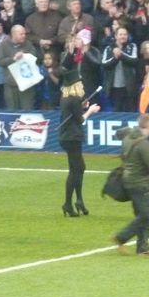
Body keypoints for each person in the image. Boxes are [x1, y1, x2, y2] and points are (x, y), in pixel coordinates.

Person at [112, 114, 149, 256]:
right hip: (141, 183)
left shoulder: (128, 137)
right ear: (148, 126)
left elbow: (119, 134)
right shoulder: (143, 144)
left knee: (141, 214)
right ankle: (122, 237)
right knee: (146, 215)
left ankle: (143, 247)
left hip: (128, 181)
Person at [59, 69, 101, 217]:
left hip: (66, 137)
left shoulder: (66, 98)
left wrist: (82, 108)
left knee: (78, 168)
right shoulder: (74, 99)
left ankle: (78, 201)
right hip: (72, 137)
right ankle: (68, 203)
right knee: (76, 169)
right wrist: (90, 110)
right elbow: (81, 120)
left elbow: (74, 114)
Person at [0, 25, 39, 110]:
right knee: (12, 110)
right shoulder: (4, 45)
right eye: (21, 34)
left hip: (26, 84)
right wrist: (13, 59)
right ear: (14, 34)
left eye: (24, 34)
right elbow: (0, 61)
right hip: (10, 84)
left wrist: (24, 55)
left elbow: (34, 56)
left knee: (27, 109)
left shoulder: (28, 44)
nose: (24, 36)